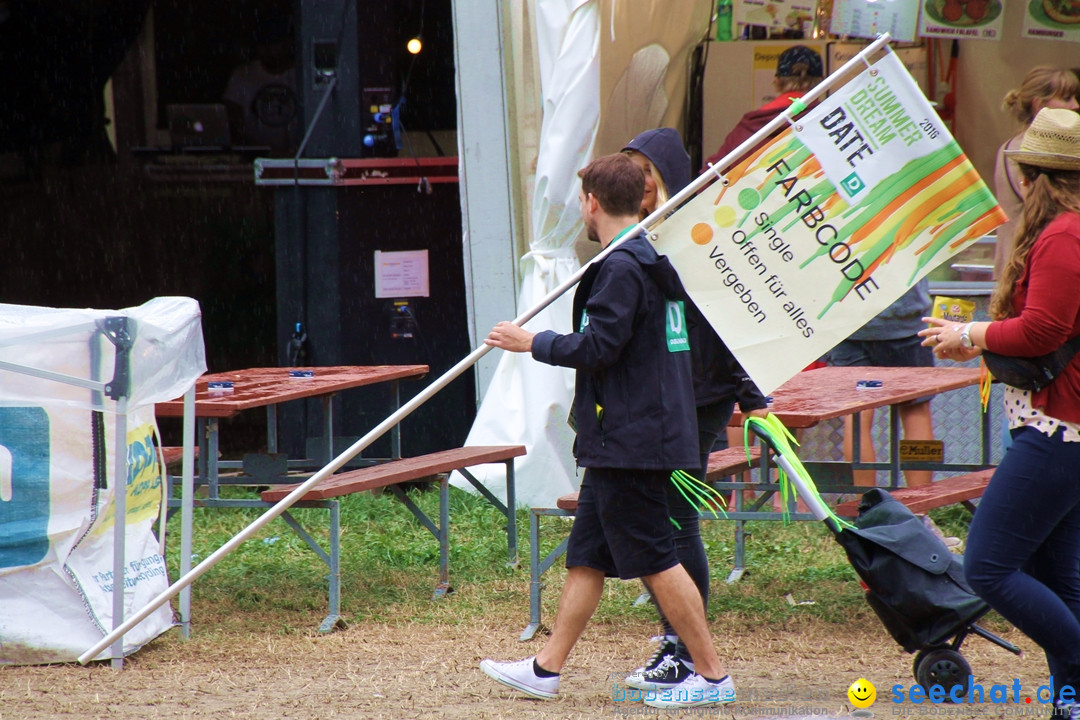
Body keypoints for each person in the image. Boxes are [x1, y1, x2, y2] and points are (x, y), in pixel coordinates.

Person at [479, 153, 736, 709]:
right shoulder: (650, 259)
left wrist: (533, 343)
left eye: (580, 200)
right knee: (587, 555)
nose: (580, 208)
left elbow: (601, 347)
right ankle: (545, 670)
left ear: (592, 203)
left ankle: (712, 676)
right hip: (626, 436)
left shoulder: (622, 267)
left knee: (657, 558)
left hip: (632, 441)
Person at [920, 108, 1080, 719]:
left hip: (1057, 427)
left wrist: (973, 334)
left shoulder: (1064, 233)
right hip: (1058, 424)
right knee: (1056, 574)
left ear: (1032, 175)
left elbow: (1043, 329)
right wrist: (972, 334)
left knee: (986, 566)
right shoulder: (1064, 229)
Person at [619, 128, 768, 692]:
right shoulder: (645, 234)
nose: (637, 183)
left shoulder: (694, 233)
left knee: (675, 522)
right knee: (664, 521)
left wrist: (752, 399)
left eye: (645, 173)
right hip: (664, 395)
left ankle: (685, 653)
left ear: (665, 178)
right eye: (630, 173)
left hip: (700, 397)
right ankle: (677, 647)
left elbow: (732, 319)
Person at [828, 283, 937, 490]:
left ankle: (866, 506)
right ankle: (920, 506)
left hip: (849, 322)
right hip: (905, 320)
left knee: (856, 416)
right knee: (916, 411)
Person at [991, 67, 1079, 281]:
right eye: (1066, 98)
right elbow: (1047, 209)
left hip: (1025, 267)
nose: (1075, 105)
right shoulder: (1025, 152)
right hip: (1029, 271)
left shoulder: (1010, 148)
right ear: (1039, 104)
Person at [701, 44, 824, 173]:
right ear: (822, 81)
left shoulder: (749, 125)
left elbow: (710, 178)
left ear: (777, 81)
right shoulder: (828, 123)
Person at [222, 15, 300, 155]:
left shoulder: (303, 75)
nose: (268, 50)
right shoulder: (242, 75)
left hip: (298, 158)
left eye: (274, 44)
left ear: (288, 43)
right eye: (263, 45)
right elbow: (230, 121)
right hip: (253, 160)